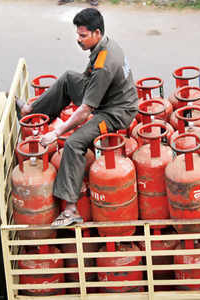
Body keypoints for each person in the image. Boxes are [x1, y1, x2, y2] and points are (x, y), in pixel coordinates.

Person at [18, 8, 138, 227]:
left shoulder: (105, 62)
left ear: (97, 33)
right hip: (106, 97)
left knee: (74, 143)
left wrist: (56, 132)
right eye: (78, 34)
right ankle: (30, 109)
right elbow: (86, 78)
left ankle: (71, 210)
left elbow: (85, 110)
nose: (78, 39)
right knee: (68, 79)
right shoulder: (104, 46)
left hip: (116, 112)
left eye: (83, 36)